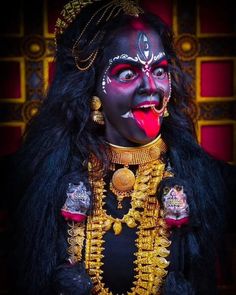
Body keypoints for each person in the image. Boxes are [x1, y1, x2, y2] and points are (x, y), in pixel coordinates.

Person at [10, 0, 236, 294]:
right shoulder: (43, 176)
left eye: (159, 70)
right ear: (90, 88)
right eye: (128, 74)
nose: (150, 86)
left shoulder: (205, 180)